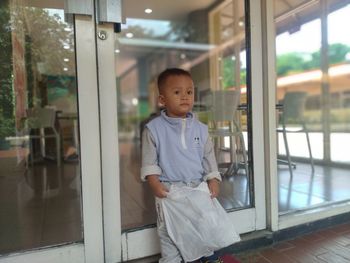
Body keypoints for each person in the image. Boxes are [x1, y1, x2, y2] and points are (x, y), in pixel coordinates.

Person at [141, 68, 225, 263]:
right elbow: (149, 161)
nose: (185, 97)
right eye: (177, 92)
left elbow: (208, 157)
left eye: (189, 92)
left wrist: (213, 178)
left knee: (204, 225)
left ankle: (206, 257)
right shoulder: (154, 129)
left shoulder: (201, 129)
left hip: (197, 188)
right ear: (162, 99)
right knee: (169, 232)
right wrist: (154, 184)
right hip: (169, 190)